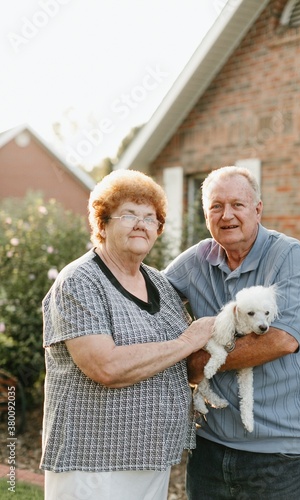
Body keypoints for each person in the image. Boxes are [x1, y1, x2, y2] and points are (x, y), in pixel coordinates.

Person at [40, 169, 214, 500]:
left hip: (151, 459)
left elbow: (180, 362)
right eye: (129, 214)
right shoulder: (80, 281)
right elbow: (105, 367)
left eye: (150, 218)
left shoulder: (160, 283)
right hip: (93, 463)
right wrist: (187, 341)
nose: (141, 224)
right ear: (102, 224)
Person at [164, 166, 300, 499]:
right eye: (216, 206)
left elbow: (281, 339)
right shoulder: (196, 260)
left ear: (258, 209)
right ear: (206, 215)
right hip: (208, 448)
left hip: (276, 456)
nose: (227, 215)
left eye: (238, 204)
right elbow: (147, 299)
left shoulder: (287, 254)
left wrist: (193, 365)